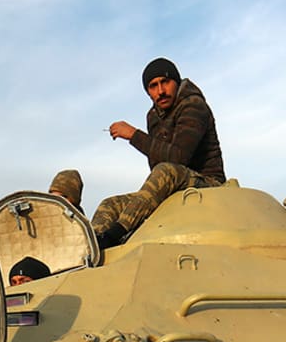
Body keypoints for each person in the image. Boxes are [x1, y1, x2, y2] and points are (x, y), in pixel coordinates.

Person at [91, 57, 225, 248]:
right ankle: (93, 247)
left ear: (176, 82)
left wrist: (134, 135)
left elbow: (178, 159)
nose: (160, 91)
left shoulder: (193, 105)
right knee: (111, 204)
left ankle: (115, 236)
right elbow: (157, 163)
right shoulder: (153, 116)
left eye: (165, 82)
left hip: (207, 183)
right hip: (172, 184)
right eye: (153, 86)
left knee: (166, 170)